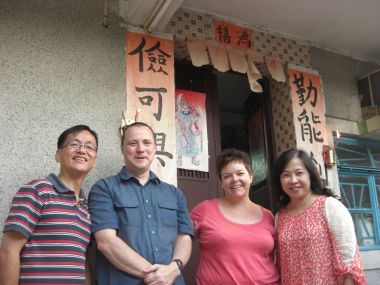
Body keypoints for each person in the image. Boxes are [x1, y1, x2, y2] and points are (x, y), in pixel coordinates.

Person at [88, 122, 193, 285]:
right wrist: (157, 276)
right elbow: (106, 242)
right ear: (122, 148)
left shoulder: (174, 193)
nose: (141, 149)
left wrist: (174, 267)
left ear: (154, 148)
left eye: (146, 142)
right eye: (132, 143)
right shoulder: (104, 189)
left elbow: (184, 237)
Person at [0, 124, 98, 285]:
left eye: (89, 147)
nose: (82, 150)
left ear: (94, 161)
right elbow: (9, 251)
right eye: (74, 144)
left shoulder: (85, 207)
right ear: (58, 155)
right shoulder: (37, 191)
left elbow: (80, 261)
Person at [273, 148, 366, 285]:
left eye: (299, 173)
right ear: (280, 180)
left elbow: (349, 260)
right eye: (286, 175)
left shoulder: (330, 206)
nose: (293, 180)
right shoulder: (279, 217)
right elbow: (280, 264)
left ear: (310, 175)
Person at [190, 148, 280, 285]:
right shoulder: (205, 210)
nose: (235, 179)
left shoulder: (269, 216)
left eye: (240, 173)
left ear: (250, 177)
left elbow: (273, 257)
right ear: (221, 183)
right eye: (227, 176)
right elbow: (180, 240)